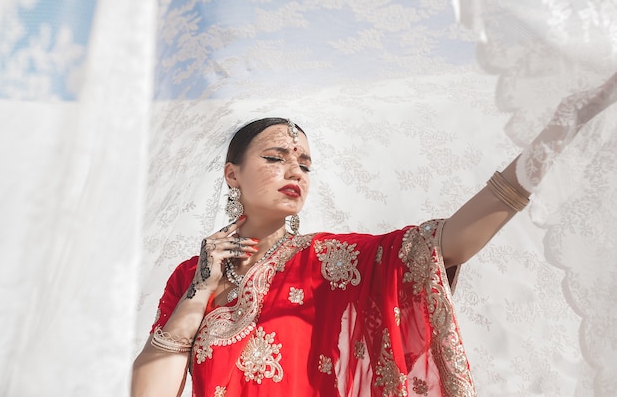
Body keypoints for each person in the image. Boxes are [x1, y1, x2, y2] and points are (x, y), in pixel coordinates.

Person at [131, 74, 616, 397]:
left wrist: (557, 132)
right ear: (231, 174)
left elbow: (450, 243)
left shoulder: (330, 260)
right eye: (275, 158)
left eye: (304, 163)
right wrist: (198, 297)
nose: (293, 170)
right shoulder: (189, 278)